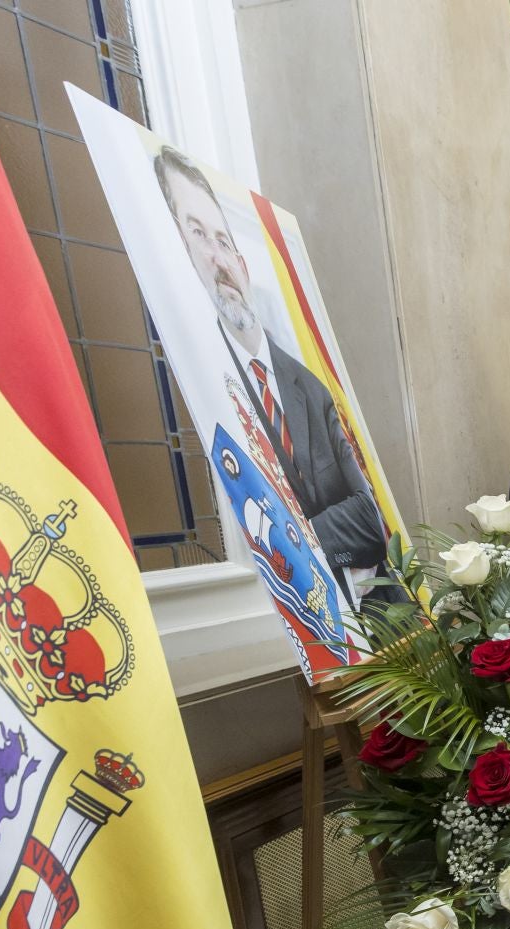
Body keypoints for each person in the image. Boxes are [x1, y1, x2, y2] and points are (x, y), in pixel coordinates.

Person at [155, 146, 394, 606]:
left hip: (378, 616)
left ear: (243, 265)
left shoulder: (311, 387)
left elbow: (371, 519)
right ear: (182, 257)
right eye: (198, 235)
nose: (219, 259)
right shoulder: (208, 395)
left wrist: (293, 542)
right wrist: (322, 535)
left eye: (224, 240)